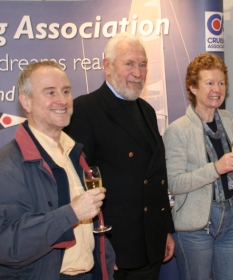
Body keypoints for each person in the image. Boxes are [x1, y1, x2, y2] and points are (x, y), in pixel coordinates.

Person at [64, 33, 175, 280]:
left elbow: (157, 176)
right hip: (114, 246)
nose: (138, 72)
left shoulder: (146, 110)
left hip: (150, 242)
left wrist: (165, 229)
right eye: (129, 64)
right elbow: (77, 184)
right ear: (107, 66)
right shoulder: (84, 110)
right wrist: (101, 245)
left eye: (143, 64)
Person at [0, 61, 115, 279]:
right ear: (26, 101)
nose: (62, 100)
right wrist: (70, 214)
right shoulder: (8, 165)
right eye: (50, 92)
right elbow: (6, 245)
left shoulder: (74, 152)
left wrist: (106, 259)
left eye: (66, 91)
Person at [164, 53, 233, 280]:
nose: (216, 89)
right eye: (209, 83)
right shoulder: (178, 130)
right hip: (195, 227)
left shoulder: (228, 118)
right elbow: (175, 183)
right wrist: (216, 168)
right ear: (193, 87)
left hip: (230, 218)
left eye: (220, 83)